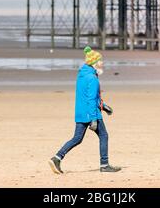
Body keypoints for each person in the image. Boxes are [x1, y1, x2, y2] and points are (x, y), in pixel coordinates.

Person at [49, 46, 121, 174]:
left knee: (77, 139)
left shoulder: (82, 75)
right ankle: (104, 165)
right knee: (104, 136)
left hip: (81, 112)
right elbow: (92, 99)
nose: (102, 63)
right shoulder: (92, 78)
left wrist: (104, 107)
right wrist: (94, 118)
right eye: (100, 61)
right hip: (91, 113)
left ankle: (57, 158)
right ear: (94, 63)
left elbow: (88, 96)